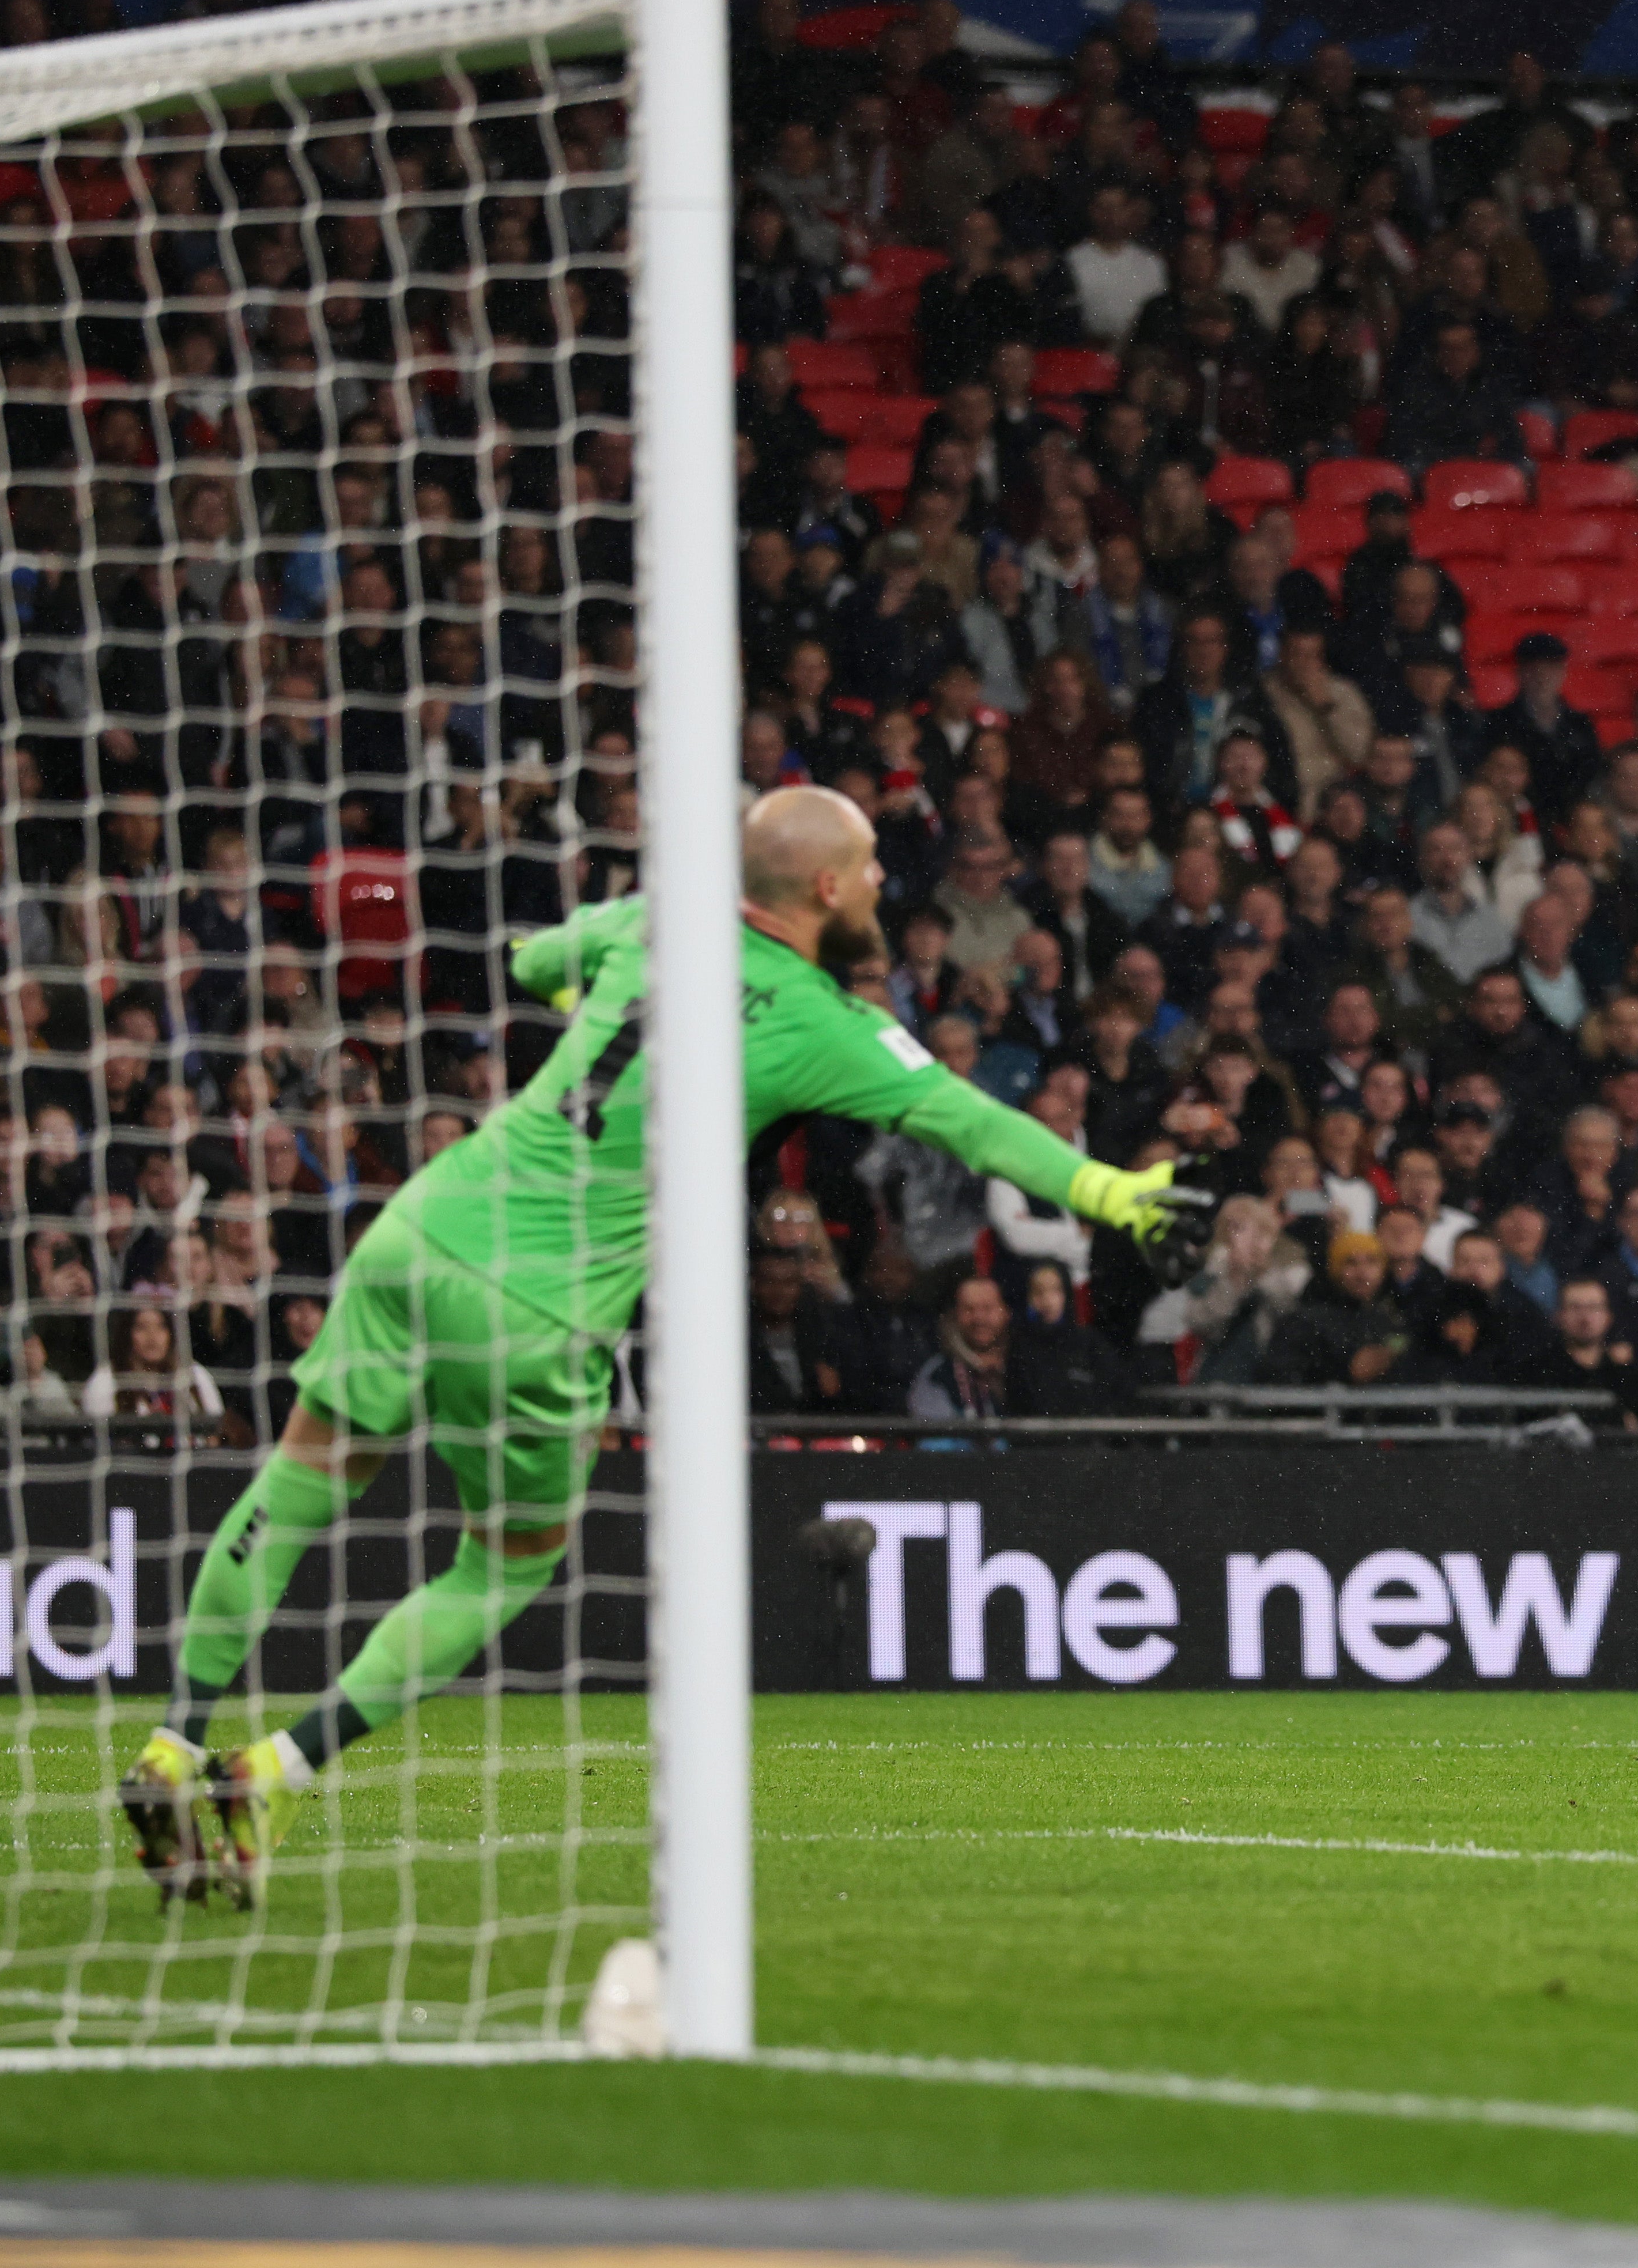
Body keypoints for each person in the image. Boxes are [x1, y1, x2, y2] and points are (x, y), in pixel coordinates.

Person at [116, 786, 1205, 1907]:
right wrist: (1109, 1191)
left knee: (300, 1481)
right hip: (537, 1305)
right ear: (824, 888)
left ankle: (172, 1740)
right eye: (872, 866)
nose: (883, 882)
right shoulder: (821, 1021)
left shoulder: (651, 920)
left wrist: (571, 963)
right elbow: (971, 1121)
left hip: (420, 1230)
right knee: (505, 1565)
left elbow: (537, 962)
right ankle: (273, 1774)